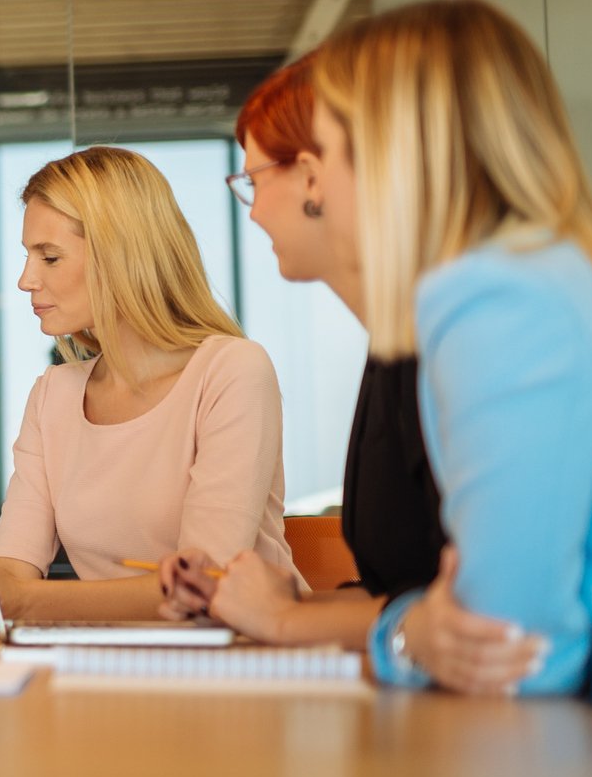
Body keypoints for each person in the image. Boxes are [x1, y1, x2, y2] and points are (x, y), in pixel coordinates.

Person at [308, 0, 592, 709]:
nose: (315, 189)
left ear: (392, 155)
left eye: (323, 154)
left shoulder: (498, 300)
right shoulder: (555, 279)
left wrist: (403, 633)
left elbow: (508, 649)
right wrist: (414, 627)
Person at [0, 146, 300, 623]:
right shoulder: (52, 394)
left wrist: (21, 600)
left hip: (247, 663)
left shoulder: (233, 371)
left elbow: (203, 589)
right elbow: (14, 565)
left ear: (122, 257)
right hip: (115, 663)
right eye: (28, 256)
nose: (24, 280)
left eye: (50, 257)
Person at [157, 61, 447, 652]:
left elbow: (485, 623)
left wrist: (288, 620)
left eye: (255, 182)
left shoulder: (450, 343)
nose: (254, 211)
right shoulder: (390, 348)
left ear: (312, 178)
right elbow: (402, 595)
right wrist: (288, 602)